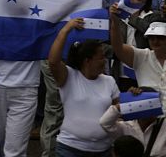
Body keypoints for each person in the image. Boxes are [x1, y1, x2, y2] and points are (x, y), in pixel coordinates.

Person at [48, 19, 118, 157]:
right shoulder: (68, 76)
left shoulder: (109, 81)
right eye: (101, 57)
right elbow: (53, 61)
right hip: (70, 150)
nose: (105, 61)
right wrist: (66, 30)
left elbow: (120, 109)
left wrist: (135, 96)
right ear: (88, 60)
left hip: (103, 151)